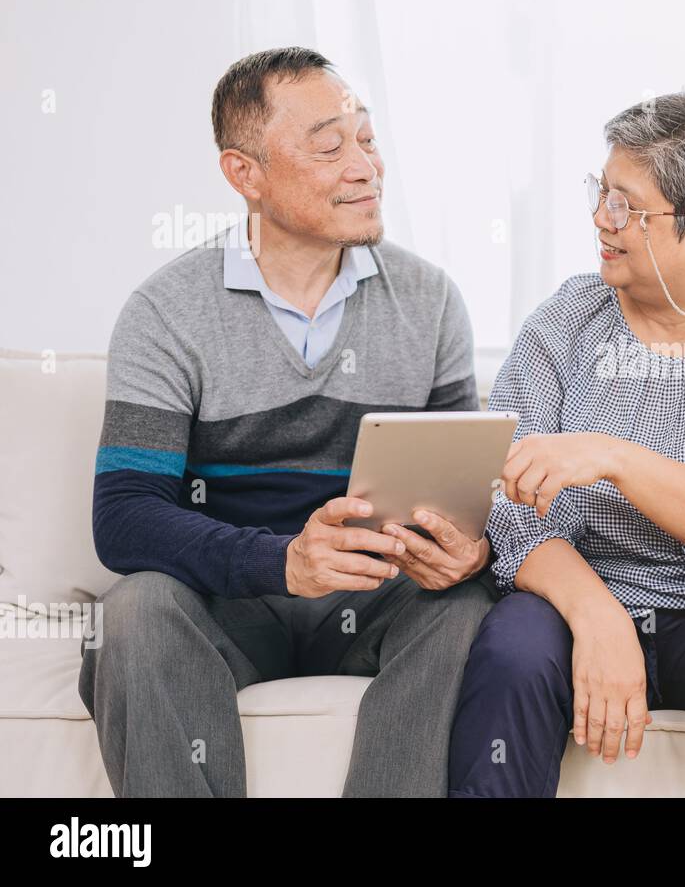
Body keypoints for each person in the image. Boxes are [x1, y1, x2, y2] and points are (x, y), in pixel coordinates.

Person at [79, 47, 494, 797]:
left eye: (366, 139)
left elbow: (459, 497)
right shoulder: (167, 311)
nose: (365, 167)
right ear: (246, 174)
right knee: (133, 612)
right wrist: (282, 563)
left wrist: (466, 549)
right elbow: (125, 520)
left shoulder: (429, 300)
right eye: (329, 146)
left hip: (375, 600)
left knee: (468, 605)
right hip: (231, 604)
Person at [448, 88, 685, 798]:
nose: (602, 218)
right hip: (582, 591)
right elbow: (506, 507)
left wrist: (615, 457)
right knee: (511, 648)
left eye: (627, 205)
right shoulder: (566, 320)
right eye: (602, 191)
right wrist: (597, 616)